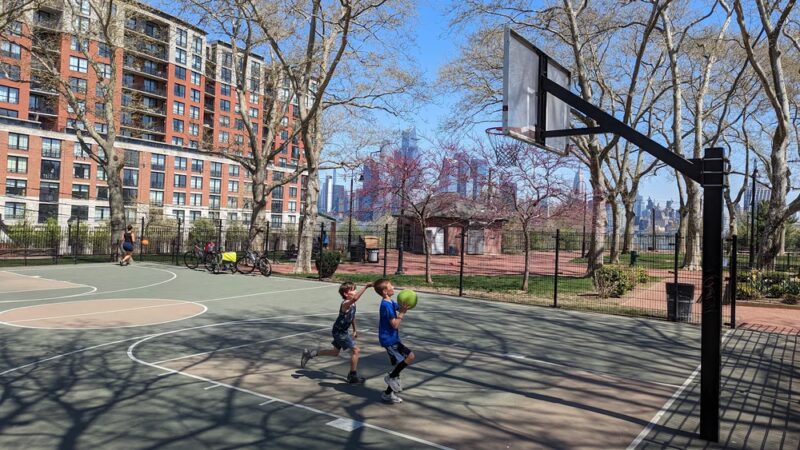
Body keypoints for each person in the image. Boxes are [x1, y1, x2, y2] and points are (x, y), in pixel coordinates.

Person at [300, 281, 373, 384]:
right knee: (356, 350)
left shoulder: (353, 304)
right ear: (346, 294)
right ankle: (352, 376)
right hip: (339, 332)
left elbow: (352, 317)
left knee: (335, 353)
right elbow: (355, 298)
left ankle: (310, 354)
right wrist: (366, 286)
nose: (355, 291)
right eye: (353, 290)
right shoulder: (345, 304)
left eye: (355, 289)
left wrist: (355, 329)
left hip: (342, 331)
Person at [375, 278, 415, 404]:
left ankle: (387, 393)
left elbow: (401, 307)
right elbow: (395, 325)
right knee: (410, 357)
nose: (394, 287)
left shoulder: (390, 302)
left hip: (393, 338)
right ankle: (390, 377)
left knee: (400, 364)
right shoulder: (386, 306)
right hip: (389, 340)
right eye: (391, 286)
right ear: (385, 291)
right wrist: (402, 313)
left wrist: (407, 302)